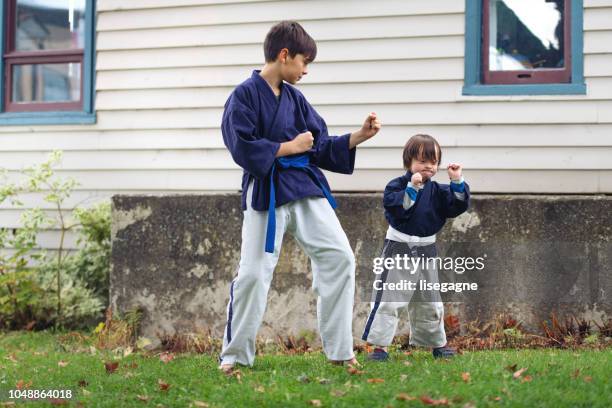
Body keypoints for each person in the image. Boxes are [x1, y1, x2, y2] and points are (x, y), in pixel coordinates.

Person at [219, 20, 381, 372]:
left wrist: (358, 136)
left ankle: (340, 351)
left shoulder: (295, 98)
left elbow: (319, 144)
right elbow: (241, 146)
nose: (306, 70)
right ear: (284, 55)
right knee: (252, 274)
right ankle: (234, 356)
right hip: (267, 190)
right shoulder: (243, 96)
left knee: (340, 258)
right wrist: (288, 146)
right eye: (304, 62)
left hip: (305, 187)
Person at [361, 134, 469, 360]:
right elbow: (397, 208)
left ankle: (437, 344)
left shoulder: (439, 191)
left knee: (429, 300)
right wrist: (412, 188)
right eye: (422, 161)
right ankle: (379, 348)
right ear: (408, 162)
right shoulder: (396, 186)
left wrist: (457, 181)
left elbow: (456, 205)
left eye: (433, 161)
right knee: (390, 299)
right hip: (399, 248)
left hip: (427, 251)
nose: (428, 166)